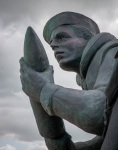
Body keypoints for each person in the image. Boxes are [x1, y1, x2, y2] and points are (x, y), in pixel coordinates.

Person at [20, 12, 118, 149]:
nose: (53, 45)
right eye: (52, 42)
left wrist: (43, 89)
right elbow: (109, 133)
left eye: (62, 37)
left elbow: (101, 112)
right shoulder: (88, 74)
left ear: (88, 39)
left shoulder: (113, 52)